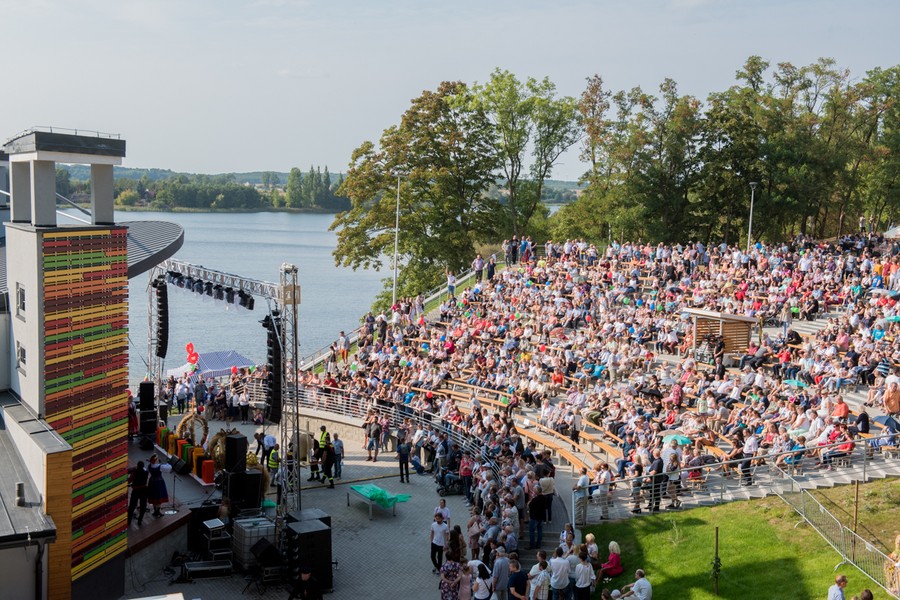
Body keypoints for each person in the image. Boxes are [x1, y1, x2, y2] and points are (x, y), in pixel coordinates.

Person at [127, 460, 149, 526]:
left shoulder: (134, 472)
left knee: (132, 506)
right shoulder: (146, 472)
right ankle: (140, 520)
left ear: (137, 466)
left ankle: (129, 521)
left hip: (136, 490)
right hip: (144, 490)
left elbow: (129, 480)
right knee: (143, 506)